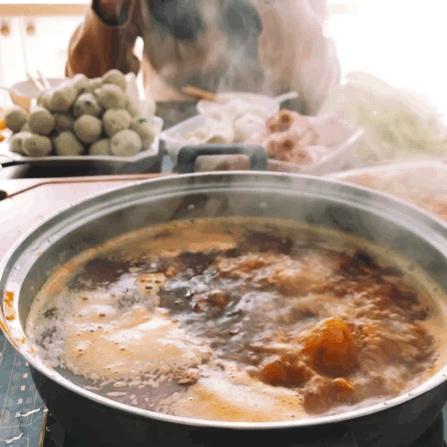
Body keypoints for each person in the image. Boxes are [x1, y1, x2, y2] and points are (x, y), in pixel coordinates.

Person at [67, 0, 340, 114]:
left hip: (274, 126)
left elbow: (319, 90)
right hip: (172, 133)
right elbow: (89, 91)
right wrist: (107, 10)